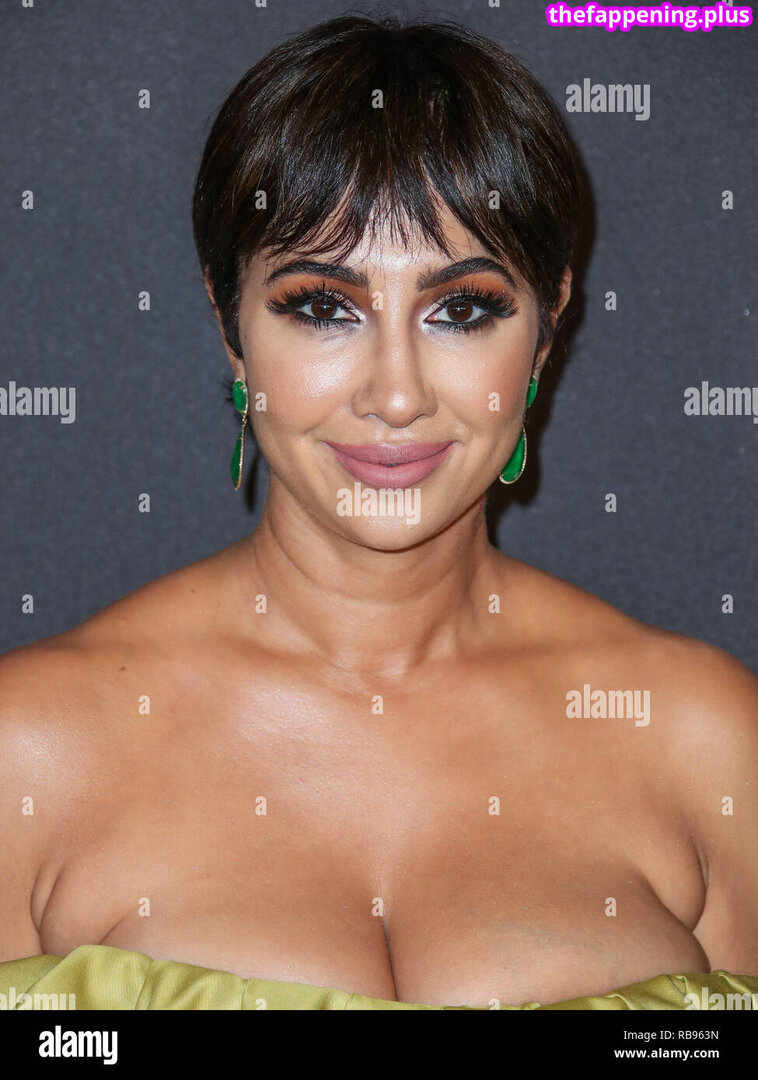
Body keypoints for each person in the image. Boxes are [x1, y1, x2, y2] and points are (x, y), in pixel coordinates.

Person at [1, 14, 756, 1012]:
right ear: (230, 324)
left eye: (462, 309)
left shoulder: (704, 737)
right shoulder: (29, 748)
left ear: (544, 331)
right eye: (322, 306)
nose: (395, 395)